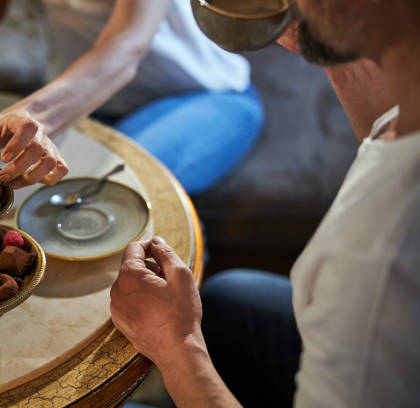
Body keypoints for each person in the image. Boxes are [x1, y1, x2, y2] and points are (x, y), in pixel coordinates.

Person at [110, 1, 420, 407]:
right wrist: (330, 42)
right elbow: (383, 139)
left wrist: (178, 345)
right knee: (227, 299)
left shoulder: (378, 265)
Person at [0, 0, 263, 194]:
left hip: (202, 94)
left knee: (117, 191)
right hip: (91, 103)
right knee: (34, 202)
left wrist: (35, 113)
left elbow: (128, 45)